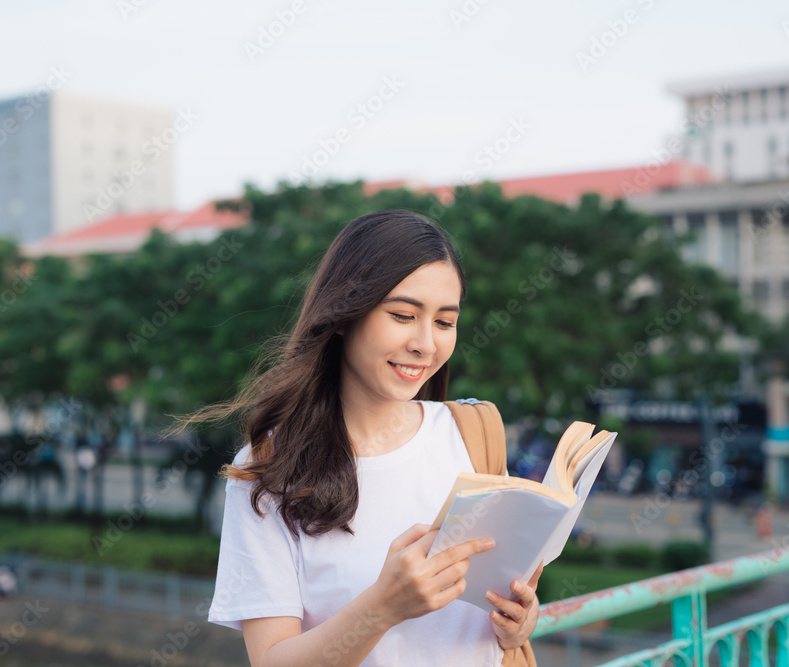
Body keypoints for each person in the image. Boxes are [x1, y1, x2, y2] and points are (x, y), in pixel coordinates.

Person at [177, 210, 541, 666]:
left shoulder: (473, 435)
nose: (425, 344)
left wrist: (518, 623)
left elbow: (497, 615)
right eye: (404, 315)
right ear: (344, 315)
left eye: (445, 322)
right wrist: (383, 608)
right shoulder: (268, 469)